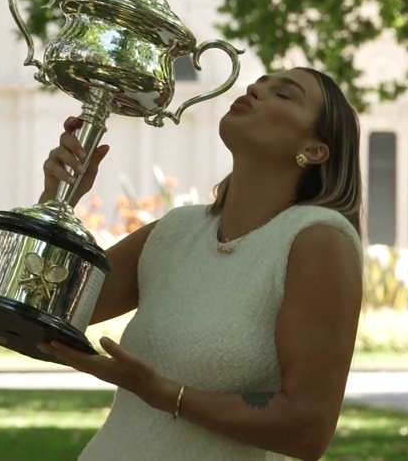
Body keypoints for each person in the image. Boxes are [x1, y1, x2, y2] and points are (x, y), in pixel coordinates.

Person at [38, 67, 365, 461]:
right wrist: (57, 200)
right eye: (260, 83)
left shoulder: (317, 240)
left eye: (284, 94)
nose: (256, 89)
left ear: (315, 150)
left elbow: (307, 430)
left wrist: (162, 393)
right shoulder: (175, 231)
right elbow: (45, 303)